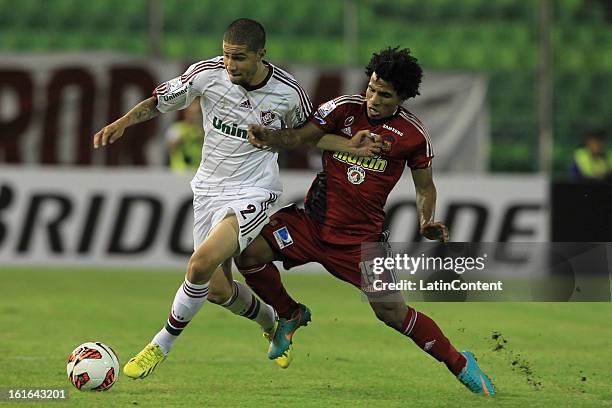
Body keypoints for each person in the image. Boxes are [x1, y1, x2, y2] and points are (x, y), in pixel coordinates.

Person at [93, 18, 380, 378]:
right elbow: (157, 101)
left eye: (240, 58)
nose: (231, 65)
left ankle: (159, 345)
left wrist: (348, 144)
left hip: (254, 190)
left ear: (262, 54)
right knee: (215, 289)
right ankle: (273, 321)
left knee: (199, 264)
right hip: (208, 190)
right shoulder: (207, 75)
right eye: (227, 55)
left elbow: (310, 136)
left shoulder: (288, 92)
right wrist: (122, 122)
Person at [236, 47, 496, 396]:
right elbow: (303, 138)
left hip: (361, 243)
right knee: (247, 253)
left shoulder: (412, 135)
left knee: (392, 312)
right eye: (371, 88)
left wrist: (426, 219)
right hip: (311, 223)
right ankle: (289, 312)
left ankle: (461, 364)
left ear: (402, 97)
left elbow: (424, 186)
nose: (373, 98)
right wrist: (279, 138)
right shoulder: (343, 109)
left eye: (384, 94)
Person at [165, 98, 205, 173]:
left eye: (196, 114)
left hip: (197, 172)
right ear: (186, 113)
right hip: (179, 172)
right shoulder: (176, 128)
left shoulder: (202, 130)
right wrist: (183, 137)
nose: (193, 117)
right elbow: (170, 147)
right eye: (191, 113)